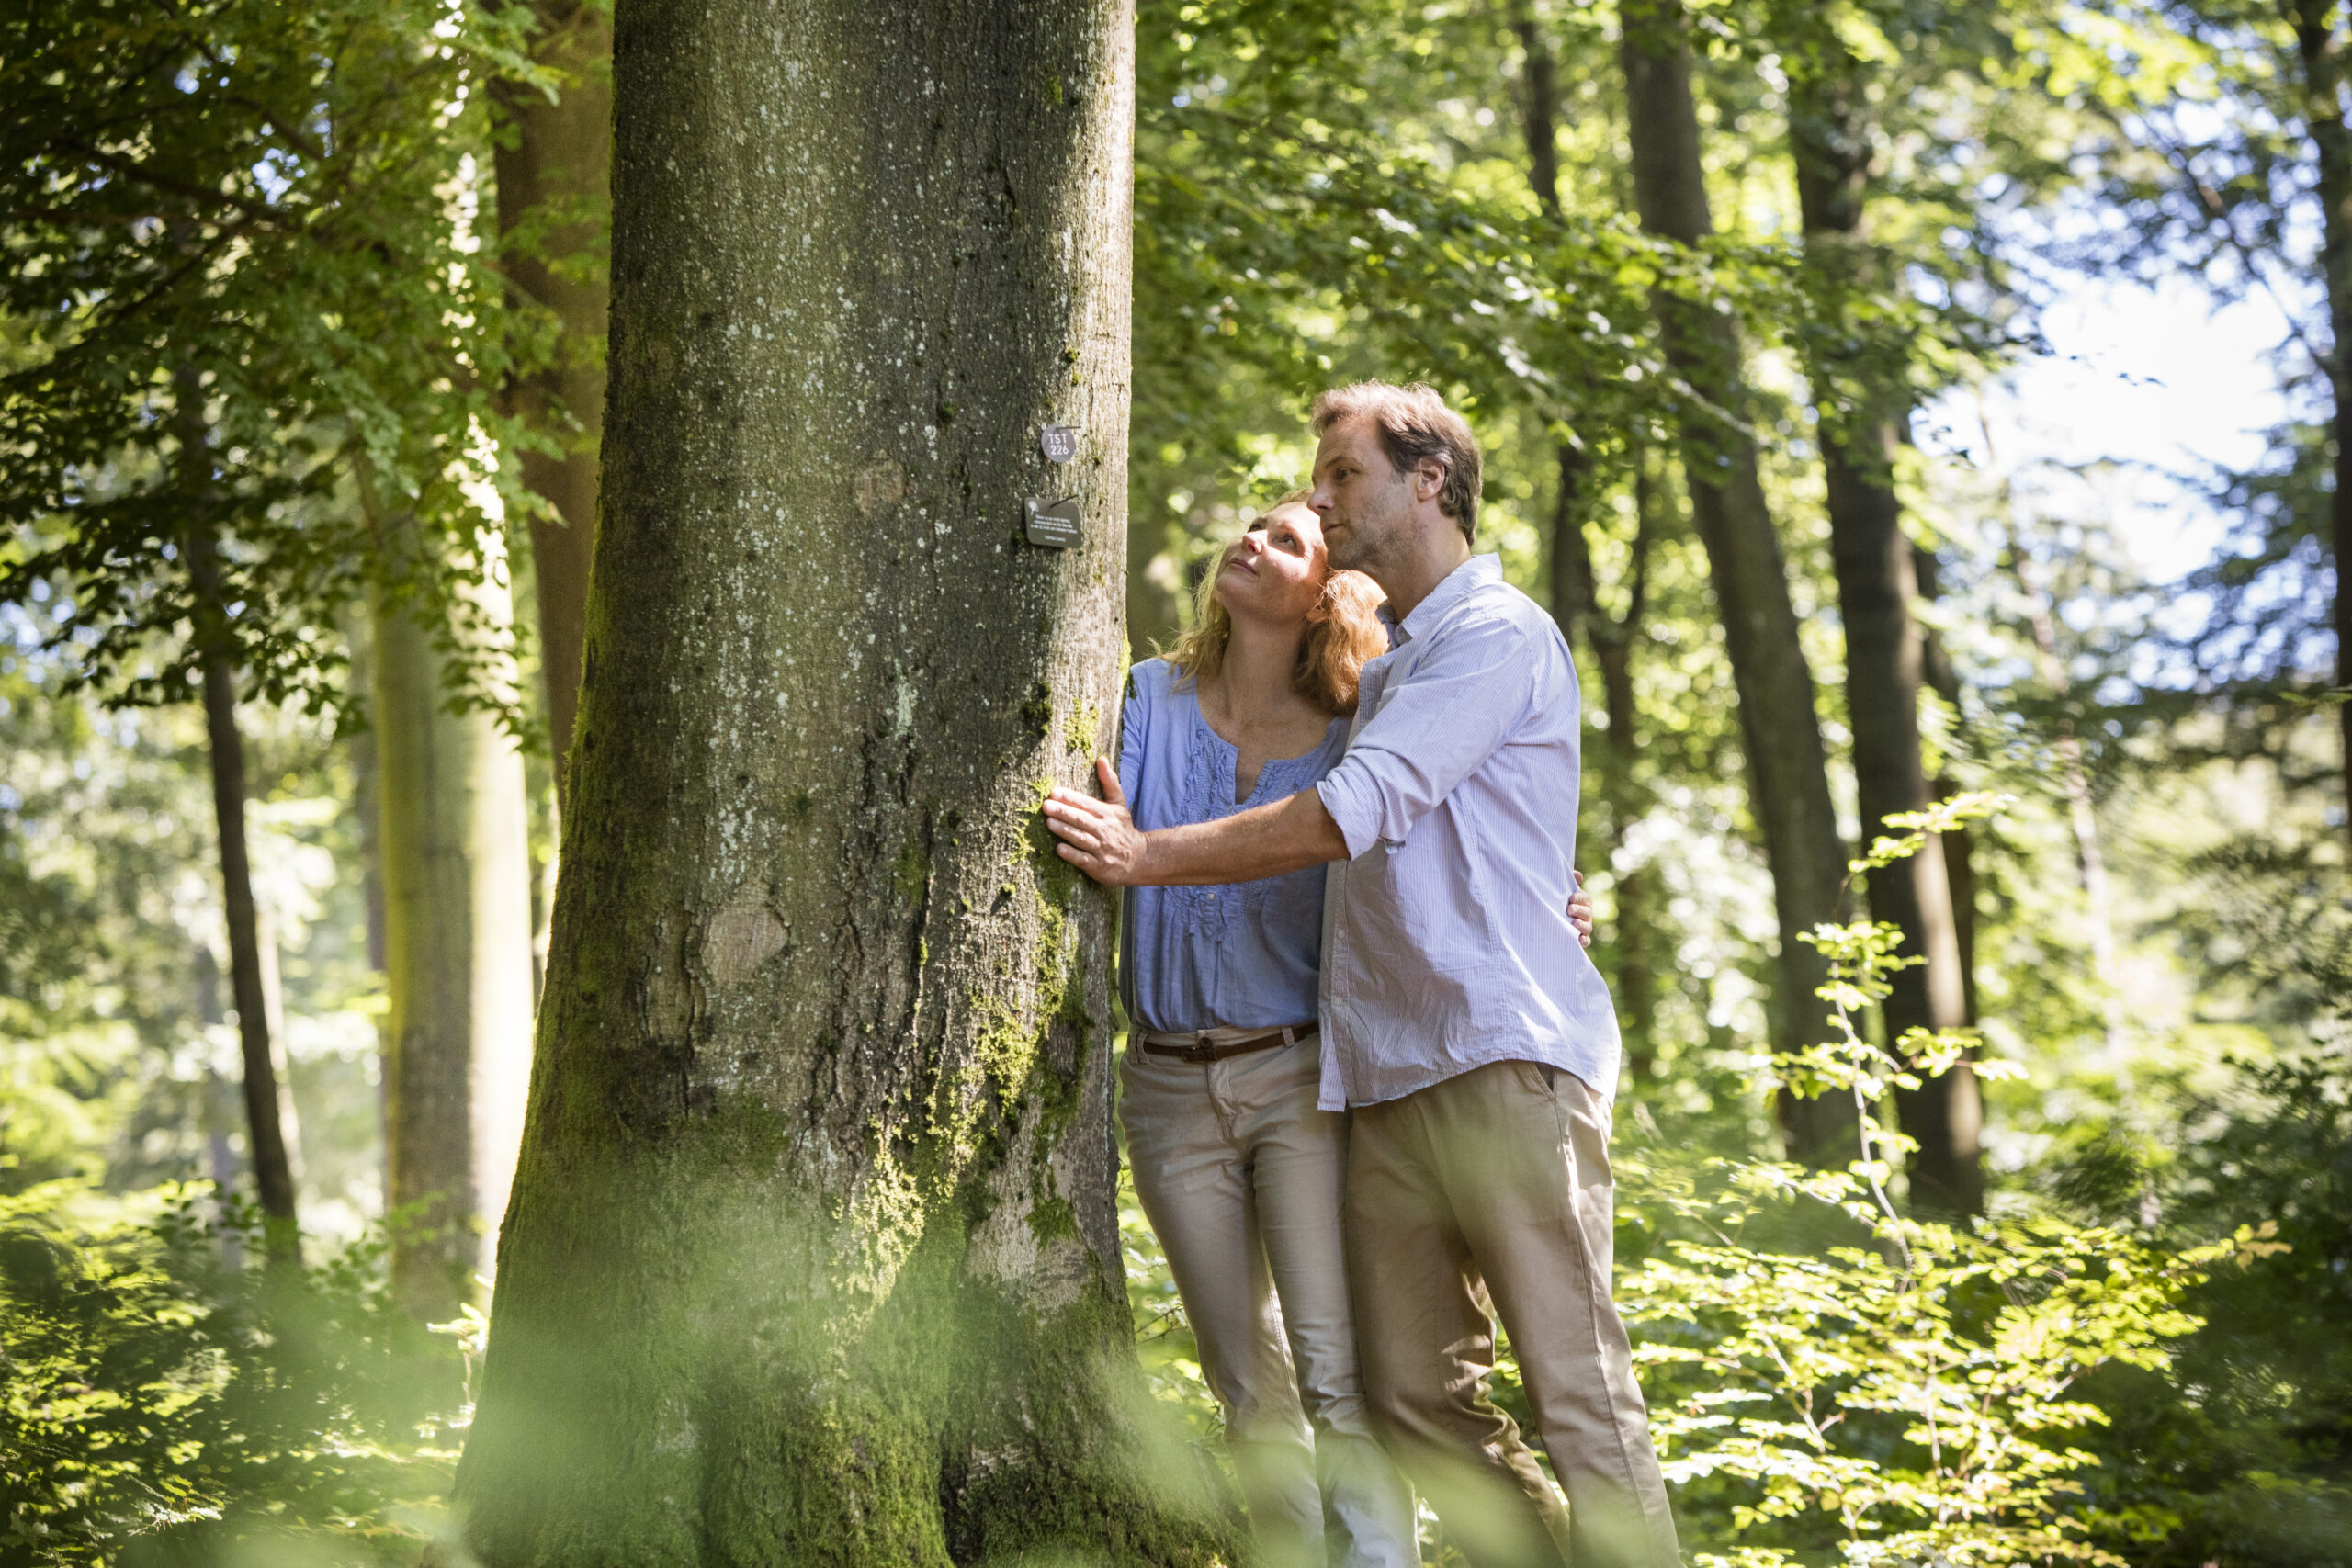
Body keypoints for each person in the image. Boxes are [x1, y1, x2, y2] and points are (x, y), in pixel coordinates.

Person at [1047, 383, 1680, 1568]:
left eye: (1341, 475)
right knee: (1410, 1404)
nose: (1322, 498)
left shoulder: (1495, 633)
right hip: (1379, 1079)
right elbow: (1460, 831)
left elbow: (1355, 812)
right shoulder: (1390, 673)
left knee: (1577, 1395)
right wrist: (1553, 881)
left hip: (1503, 1059)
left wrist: (1142, 857)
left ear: (1425, 481)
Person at [1114, 490, 1597, 1568]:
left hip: (1295, 1078)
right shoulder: (1145, 698)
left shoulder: (1354, 735)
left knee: (1338, 1377)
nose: (1250, 541)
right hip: (1161, 1084)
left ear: (1329, 591)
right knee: (1244, 1379)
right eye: (1251, 525)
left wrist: (1555, 900)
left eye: (1285, 539)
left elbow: (1450, 843)